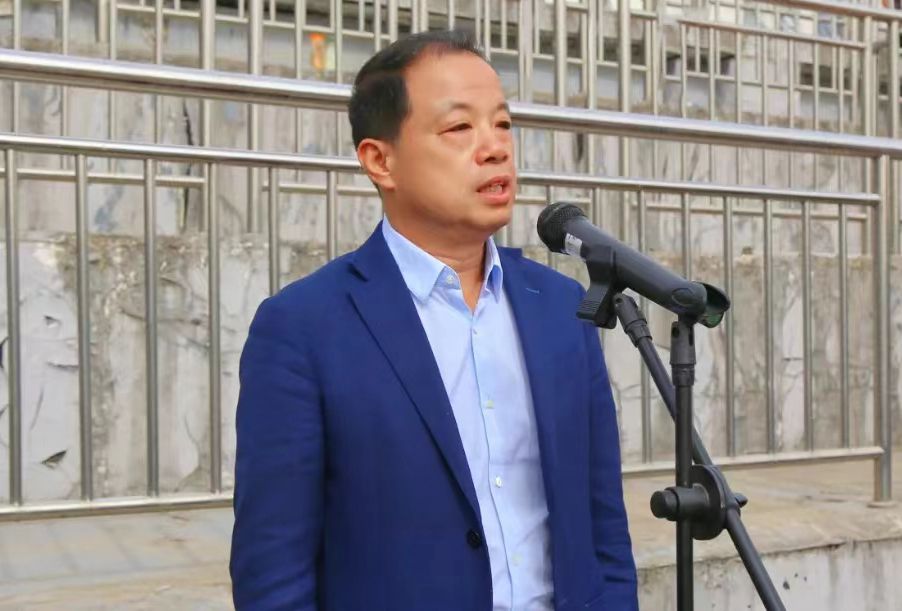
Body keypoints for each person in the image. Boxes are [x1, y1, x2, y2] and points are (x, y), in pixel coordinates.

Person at [230, 30, 638, 611]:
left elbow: (603, 529)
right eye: (459, 127)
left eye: (503, 124)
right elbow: (273, 573)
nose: (495, 148)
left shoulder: (560, 308)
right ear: (381, 160)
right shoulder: (303, 328)